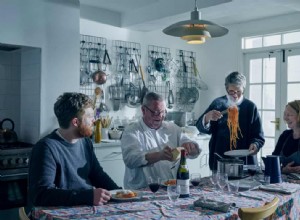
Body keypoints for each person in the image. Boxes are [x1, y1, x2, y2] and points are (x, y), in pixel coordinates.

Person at [28, 92, 121, 207]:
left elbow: (98, 175)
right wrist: (88, 196)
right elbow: (41, 195)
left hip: (86, 209)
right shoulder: (46, 148)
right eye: (90, 116)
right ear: (76, 122)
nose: (94, 120)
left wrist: (119, 193)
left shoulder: (85, 143)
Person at [121, 92, 201, 189]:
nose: (160, 116)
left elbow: (196, 151)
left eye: (163, 112)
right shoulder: (132, 131)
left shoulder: (173, 128)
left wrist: (191, 146)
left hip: (172, 188)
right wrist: (159, 155)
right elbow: (131, 159)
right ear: (143, 110)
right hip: (141, 191)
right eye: (155, 112)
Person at [196, 71, 265, 170]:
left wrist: (255, 144)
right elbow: (200, 127)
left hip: (245, 161)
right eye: (231, 91)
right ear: (226, 89)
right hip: (220, 160)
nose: (235, 95)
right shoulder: (218, 104)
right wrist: (207, 118)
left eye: (239, 91)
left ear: (243, 89)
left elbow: (258, 135)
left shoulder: (250, 107)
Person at [272, 100, 300, 174]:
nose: (285, 118)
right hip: (284, 183)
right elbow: (273, 161)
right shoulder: (285, 135)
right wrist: (283, 170)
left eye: (289, 115)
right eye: (285, 114)